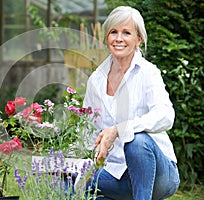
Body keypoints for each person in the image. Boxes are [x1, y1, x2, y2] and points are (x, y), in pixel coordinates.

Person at [83, 6, 180, 200]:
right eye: (113, 32)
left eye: (126, 33)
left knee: (136, 141)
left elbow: (166, 115)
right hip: (116, 173)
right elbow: (87, 128)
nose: (119, 38)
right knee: (73, 181)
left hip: (159, 175)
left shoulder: (148, 72)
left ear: (138, 40)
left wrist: (120, 129)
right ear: (106, 37)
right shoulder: (96, 79)